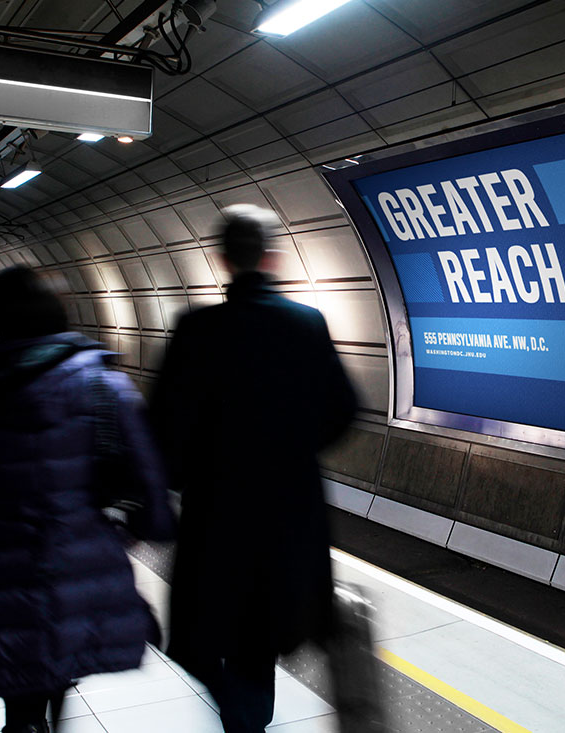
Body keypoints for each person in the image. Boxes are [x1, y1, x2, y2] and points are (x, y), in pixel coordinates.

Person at [0, 266, 176, 733]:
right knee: (55, 663)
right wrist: (131, 534)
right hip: (76, 566)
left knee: (22, 680)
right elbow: (152, 493)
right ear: (61, 311)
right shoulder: (103, 385)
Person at [151, 205, 357, 732]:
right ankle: (247, 718)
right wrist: (291, 453)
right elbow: (342, 411)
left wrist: (182, 476)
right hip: (288, 519)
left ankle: (242, 719)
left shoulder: (196, 329)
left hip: (217, 516)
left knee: (211, 636)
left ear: (222, 258)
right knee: (257, 642)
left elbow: (166, 428)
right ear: (271, 257)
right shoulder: (306, 324)